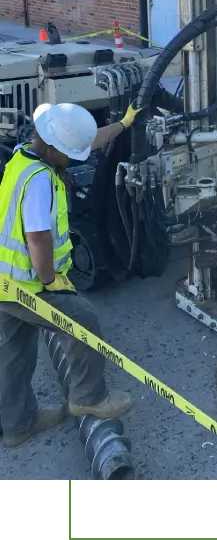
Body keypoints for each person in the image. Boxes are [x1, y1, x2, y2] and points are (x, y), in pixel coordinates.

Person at [0, 101, 141, 448]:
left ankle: (18, 426)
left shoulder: (23, 157)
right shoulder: (39, 181)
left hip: (4, 277)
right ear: (51, 147)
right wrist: (50, 281)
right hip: (27, 282)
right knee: (84, 323)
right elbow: (38, 237)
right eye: (68, 154)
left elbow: (86, 142)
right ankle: (89, 396)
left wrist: (123, 123)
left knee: (14, 352)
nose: (75, 160)